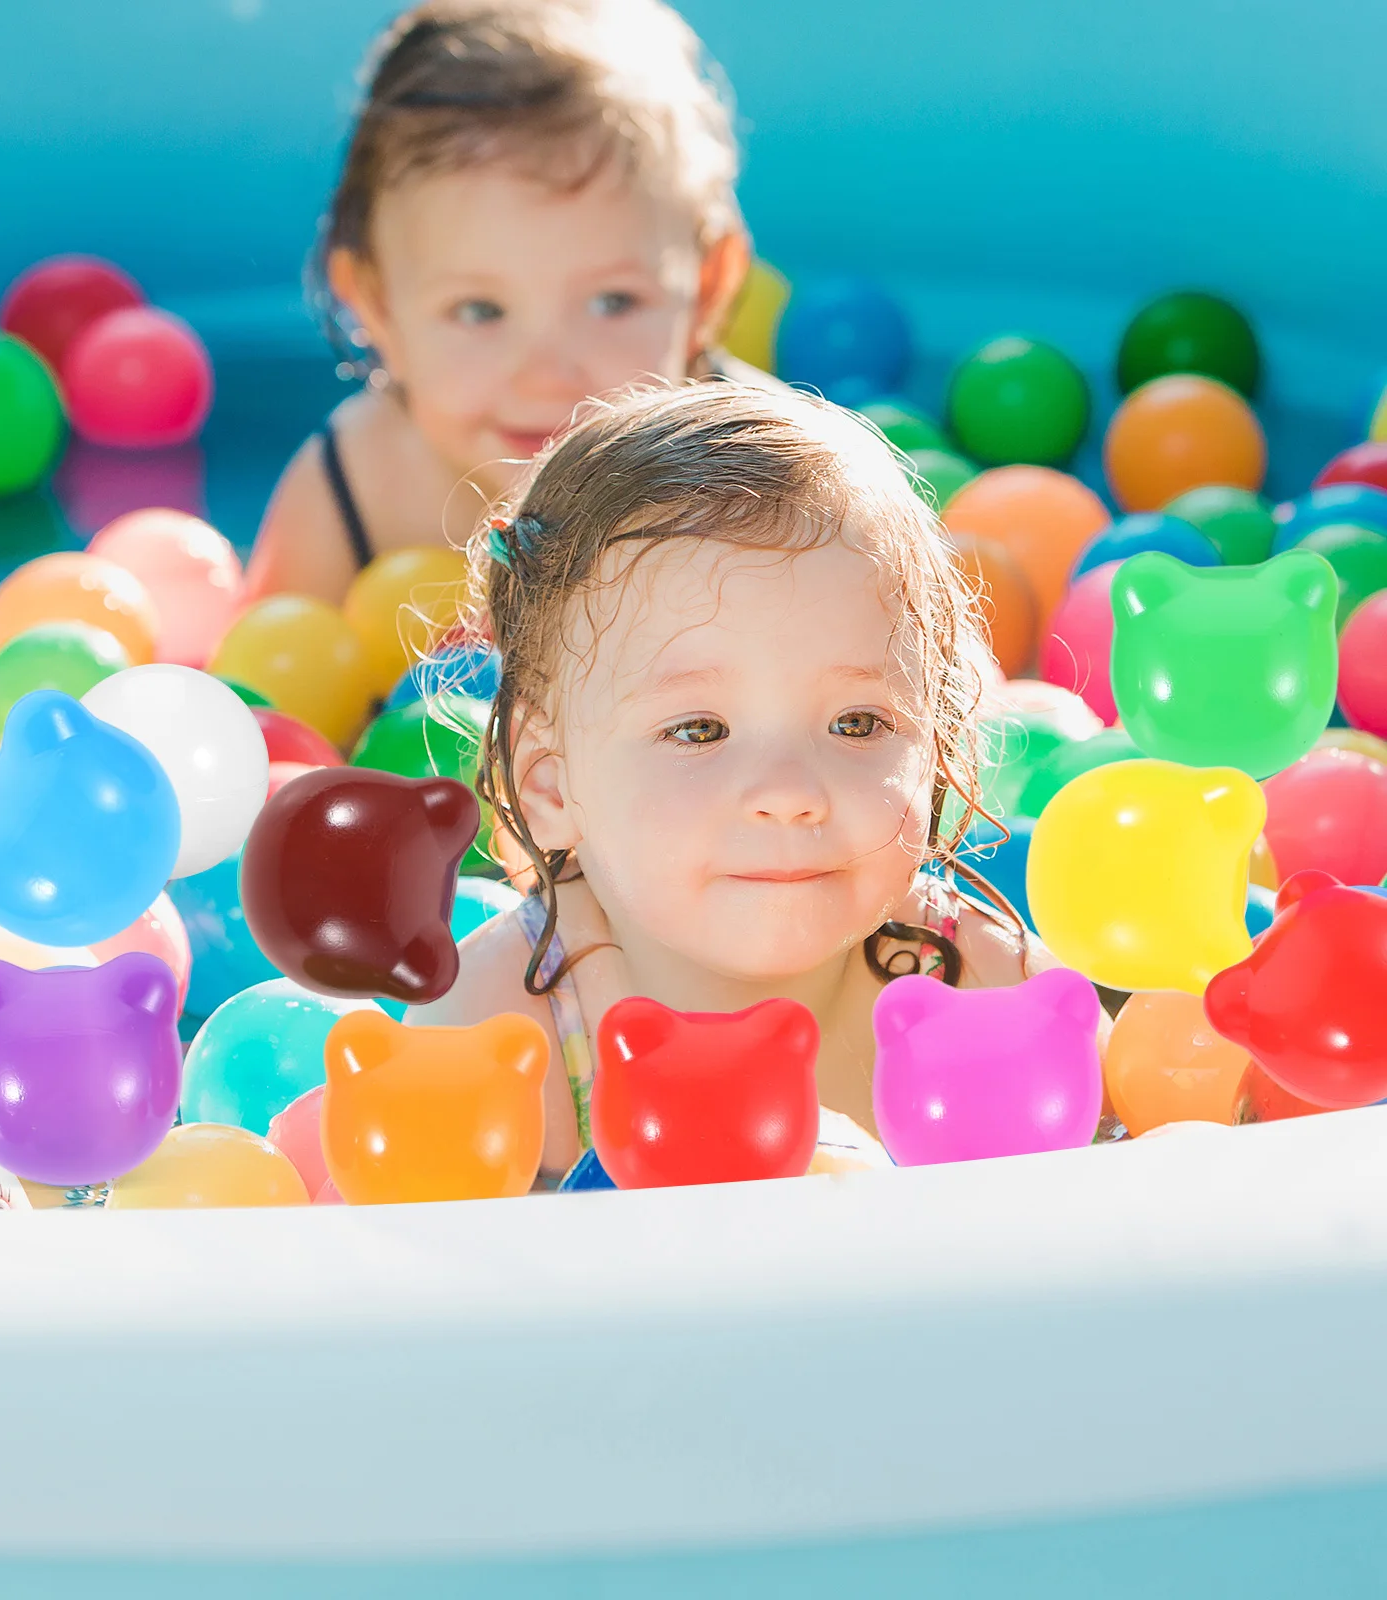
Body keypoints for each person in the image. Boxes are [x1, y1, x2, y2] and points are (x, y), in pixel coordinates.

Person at [412, 383, 1108, 1184]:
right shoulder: (505, 1033)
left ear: (938, 740)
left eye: (857, 724)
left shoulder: (987, 993)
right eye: (699, 730)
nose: (790, 792)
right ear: (550, 786)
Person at [244, 0, 759, 606]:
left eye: (613, 302)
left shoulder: (768, 487)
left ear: (706, 289)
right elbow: (259, 686)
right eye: (480, 311)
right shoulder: (350, 492)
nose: (546, 380)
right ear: (377, 308)